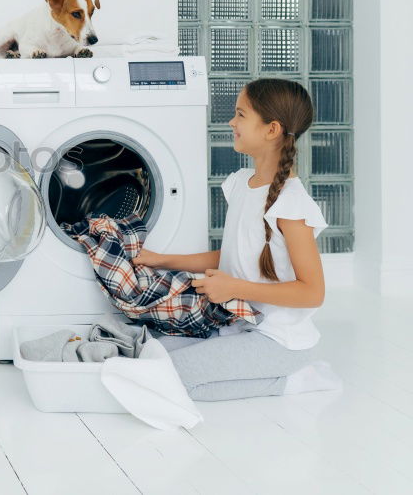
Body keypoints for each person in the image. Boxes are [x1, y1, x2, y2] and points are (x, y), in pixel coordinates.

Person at [133, 78, 342, 401]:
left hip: (279, 341)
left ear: (271, 130)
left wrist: (235, 288)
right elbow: (234, 255)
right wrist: (160, 259)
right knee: (151, 351)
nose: (231, 122)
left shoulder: (291, 205)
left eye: (241, 115)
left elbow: (313, 293)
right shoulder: (243, 184)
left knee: (170, 377)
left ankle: (297, 380)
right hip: (240, 323)